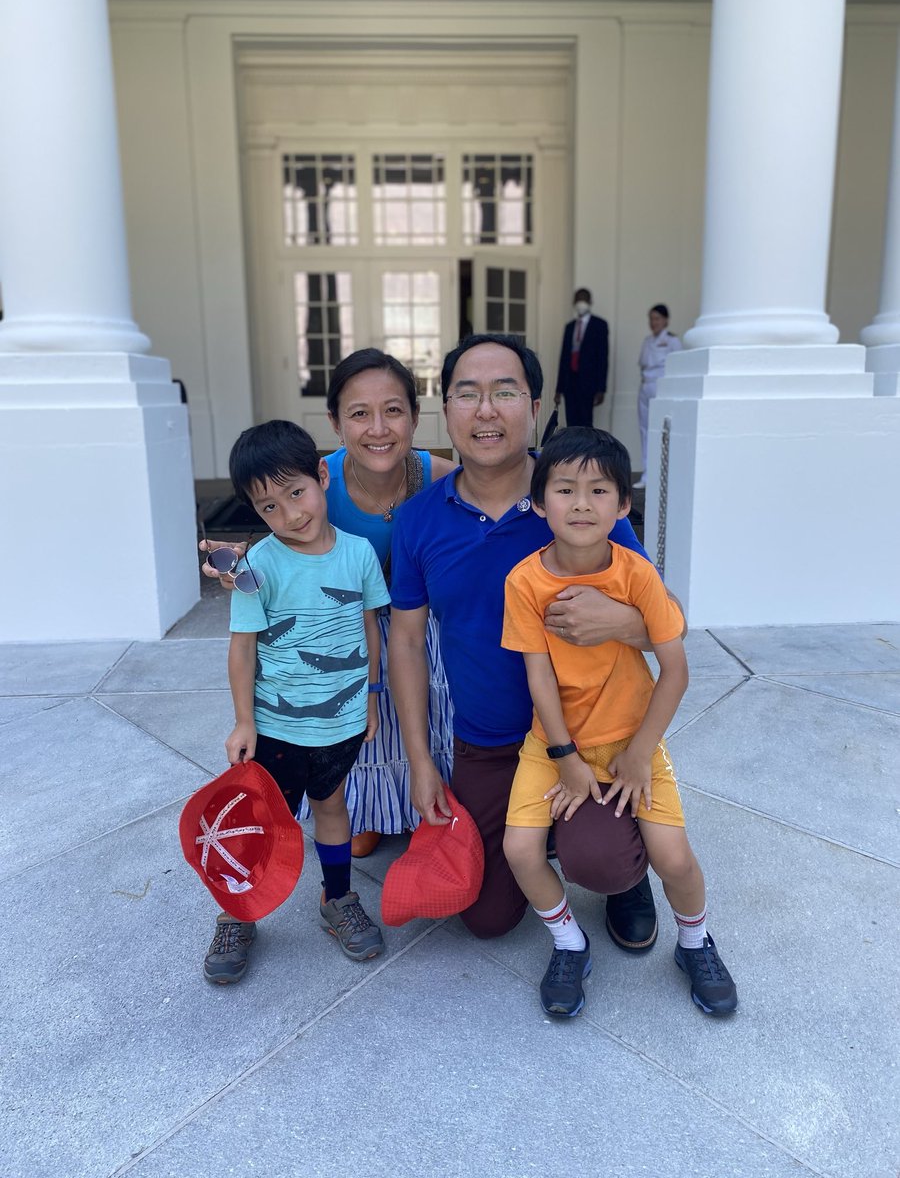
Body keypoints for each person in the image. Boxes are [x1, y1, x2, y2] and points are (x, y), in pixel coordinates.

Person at [389, 333, 679, 947]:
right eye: (467, 394)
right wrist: (421, 761)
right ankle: (548, 831)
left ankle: (625, 864)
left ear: (537, 406)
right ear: (446, 409)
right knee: (488, 919)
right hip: (490, 742)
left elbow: (665, 612)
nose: (486, 411)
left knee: (598, 862)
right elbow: (408, 645)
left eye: (505, 393)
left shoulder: (576, 496)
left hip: (588, 733)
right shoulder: (419, 519)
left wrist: (622, 622)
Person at [501, 426, 737, 1018]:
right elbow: (539, 678)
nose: (581, 503)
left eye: (599, 489)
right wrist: (565, 757)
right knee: (521, 851)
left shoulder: (637, 575)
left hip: (635, 742)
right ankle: (568, 942)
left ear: (623, 505)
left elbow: (676, 670)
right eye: (564, 489)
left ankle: (694, 942)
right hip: (553, 747)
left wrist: (638, 754)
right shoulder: (525, 581)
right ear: (537, 502)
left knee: (674, 857)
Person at [201, 348, 457, 860]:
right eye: (359, 413)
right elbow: (282, 539)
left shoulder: (438, 475)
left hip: (411, 620)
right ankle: (365, 809)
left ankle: (418, 800)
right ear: (336, 424)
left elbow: (502, 498)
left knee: (422, 688)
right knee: (348, 719)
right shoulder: (317, 483)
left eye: (393, 410)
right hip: (345, 625)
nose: (378, 428)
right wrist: (242, 570)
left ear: (414, 416)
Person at [204, 419, 390, 985]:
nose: (290, 514)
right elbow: (243, 651)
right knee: (260, 822)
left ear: (321, 477)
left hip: (342, 721)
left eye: (296, 492)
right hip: (276, 727)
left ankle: (337, 899)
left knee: (333, 808)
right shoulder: (258, 567)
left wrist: (373, 698)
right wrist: (243, 721)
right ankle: (238, 912)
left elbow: (370, 630)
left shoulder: (358, 555)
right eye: (269, 507)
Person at [636, 303, 683, 488]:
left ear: (665, 320)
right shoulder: (648, 341)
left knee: (661, 431)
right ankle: (647, 475)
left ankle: (663, 475)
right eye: (651, 318)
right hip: (646, 386)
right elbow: (643, 365)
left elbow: (678, 367)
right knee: (645, 431)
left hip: (661, 388)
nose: (653, 322)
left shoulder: (672, 341)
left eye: (657, 319)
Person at [554, 288, 608, 428]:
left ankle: (585, 450)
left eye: (584, 299)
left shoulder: (599, 325)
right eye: (578, 299)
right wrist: (559, 389)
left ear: (590, 302)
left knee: (585, 422)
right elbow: (564, 358)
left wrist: (601, 388)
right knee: (571, 422)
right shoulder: (570, 327)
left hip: (588, 383)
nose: (581, 303)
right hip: (569, 382)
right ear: (574, 302)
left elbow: (603, 358)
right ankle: (573, 450)